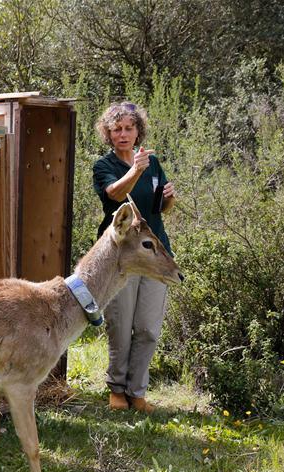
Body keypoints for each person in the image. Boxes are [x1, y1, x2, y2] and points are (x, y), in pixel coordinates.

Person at [92, 101, 176, 413]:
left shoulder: (151, 163)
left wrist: (169, 199)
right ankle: (116, 389)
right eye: (117, 129)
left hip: (155, 256)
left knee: (148, 328)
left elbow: (159, 210)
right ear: (109, 134)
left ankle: (137, 392)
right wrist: (135, 170)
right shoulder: (104, 166)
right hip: (120, 259)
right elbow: (113, 194)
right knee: (120, 324)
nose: (123, 134)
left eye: (129, 128)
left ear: (138, 130)